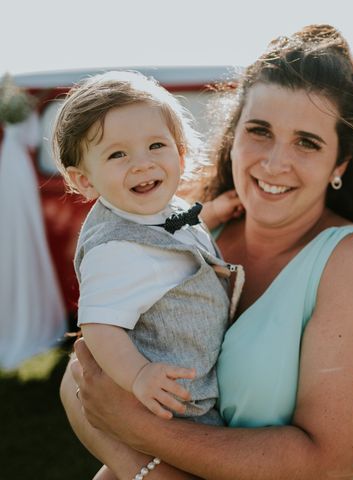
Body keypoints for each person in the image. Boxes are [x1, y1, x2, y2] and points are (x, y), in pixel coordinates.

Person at [59, 24, 353, 480]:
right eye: (260, 131)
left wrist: (136, 443)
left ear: (339, 165)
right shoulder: (193, 226)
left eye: (307, 142)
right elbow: (82, 378)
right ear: (235, 134)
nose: (273, 162)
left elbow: (325, 466)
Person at [52, 70, 244, 433]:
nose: (142, 163)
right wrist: (138, 375)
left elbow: (176, 224)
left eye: (156, 146)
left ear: (181, 154)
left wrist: (214, 212)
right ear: (84, 180)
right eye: (118, 154)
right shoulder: (115, 248)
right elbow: (99, 326)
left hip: (195, 389)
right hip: (173, 402)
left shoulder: (156, 208)